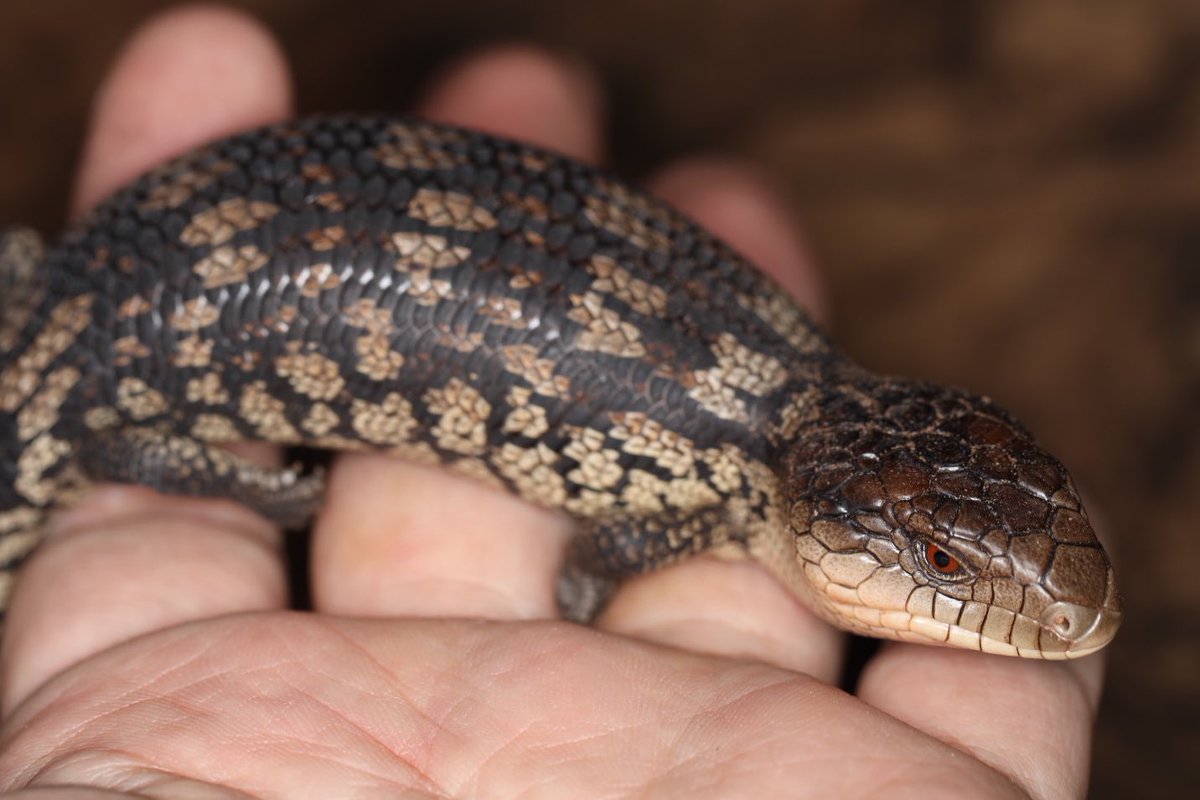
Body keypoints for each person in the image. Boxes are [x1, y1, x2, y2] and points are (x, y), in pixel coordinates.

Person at [0, 7, 1106, 797]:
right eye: (949, 569)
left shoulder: (772, 333)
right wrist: (577, 604)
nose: (1019, 603)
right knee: (92, 426)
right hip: (105, 372)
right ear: (823, 516)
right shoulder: (722, 481)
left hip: (135, 246)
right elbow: (593, 554)